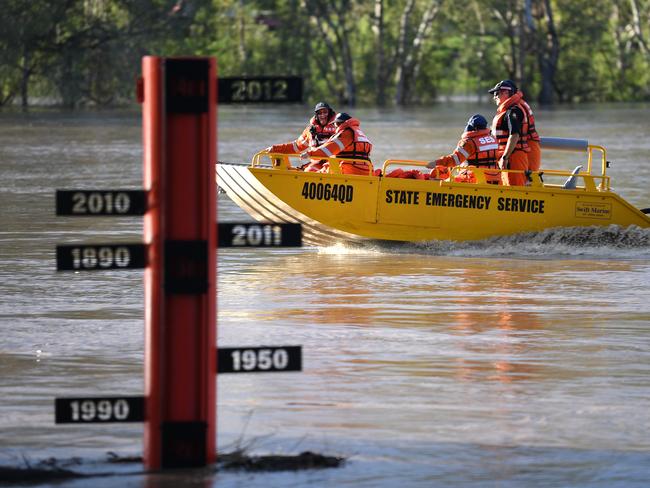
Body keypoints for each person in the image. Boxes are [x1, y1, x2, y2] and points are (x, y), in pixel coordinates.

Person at [427, 114, 500, 184]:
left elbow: (455, 160)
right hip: (495, 178)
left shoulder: (469, 142)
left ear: (473, 127)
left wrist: (436, 163)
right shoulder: (494, 139)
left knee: (438, 181)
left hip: (474, 179)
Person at [265, 102, 337, 172]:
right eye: (319, 113)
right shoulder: (310, 131)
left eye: (325, 112)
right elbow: (297, 146)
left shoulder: (338, 127)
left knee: (312, 171)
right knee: (309, 170)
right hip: (318, 163)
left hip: (336, 164)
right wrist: (275, 148)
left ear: (330, 113)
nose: (322, 115)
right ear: (316, 115)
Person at [301, 112, 373, 175]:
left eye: (334, 124)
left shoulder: (346, 133)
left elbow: (328, 149)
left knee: (310, 172)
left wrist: (309, 153)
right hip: (366, 170)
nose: (334, 127)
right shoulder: (358, 132)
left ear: (339, 123)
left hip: (348, 170)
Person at [488, 79, 530, 186]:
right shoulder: (509, 111)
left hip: (514, 157)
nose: (494, 96)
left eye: (497, 93)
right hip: (509, 156)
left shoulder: (513, 111)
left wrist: (505, 157)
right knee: (508, 188)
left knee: (515, 190)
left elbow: (514, 135)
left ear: (506, 93)